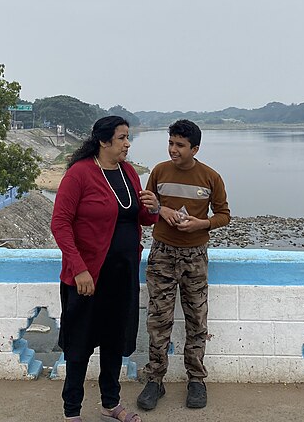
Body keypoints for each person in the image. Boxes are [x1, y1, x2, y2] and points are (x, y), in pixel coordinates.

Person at [51, 115, 160, 422]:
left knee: (114, 342)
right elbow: (60, 223)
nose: (128, 143)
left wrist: (152, 208)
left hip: (122, 276)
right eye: (123, 137)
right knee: (79, 347)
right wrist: (79, 269)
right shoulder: (79, 174)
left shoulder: (128, 172)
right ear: (103, 140)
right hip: (88, 278)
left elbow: (139, 219)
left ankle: (110, 404)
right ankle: (71, 412)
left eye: (129, 138)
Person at [136, 119, 230, 411]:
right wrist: (161, 210)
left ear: (195, 148)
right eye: (170, 143)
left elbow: (224, 215)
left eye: (180, 145)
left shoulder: (211, 177)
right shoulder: (159, 172)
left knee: (196, 321)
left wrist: (201, 223)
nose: (173, 150)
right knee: (158, 320)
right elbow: (146, 207)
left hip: (195, 256)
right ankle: (155, 381)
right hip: (162, 254)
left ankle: (196, 381)